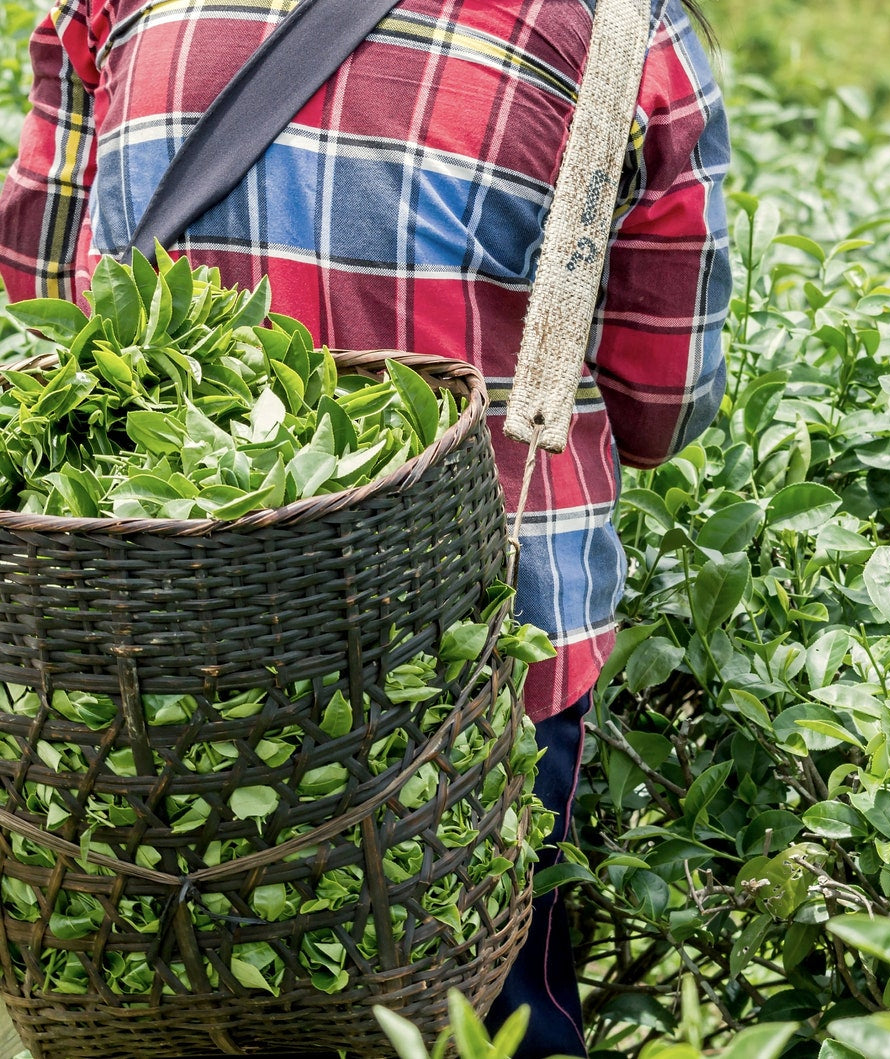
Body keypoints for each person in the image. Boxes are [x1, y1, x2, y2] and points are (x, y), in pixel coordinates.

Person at [0, 0, 731, 1055]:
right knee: (485, 1016)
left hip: (142, 670)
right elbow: (662, 405)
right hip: (471, 654)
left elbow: (41, 313)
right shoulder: (625, 28)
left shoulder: (103, 7)